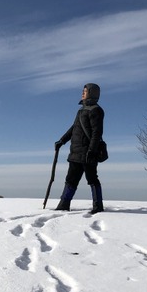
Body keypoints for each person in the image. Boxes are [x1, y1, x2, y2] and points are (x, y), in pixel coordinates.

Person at [53, 83, 105, 214]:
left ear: (92, 93)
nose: (83, 93)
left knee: (92, 179)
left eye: (85, 91)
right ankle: (64, 204)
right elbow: (74, 128)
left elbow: (96, 133)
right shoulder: (81, 110)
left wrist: (92, 151)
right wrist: (62, 140)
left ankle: (98, 206)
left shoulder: (96, 110)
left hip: (88, 153)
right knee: (71, 179)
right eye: (83, 91)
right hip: (75, 152)